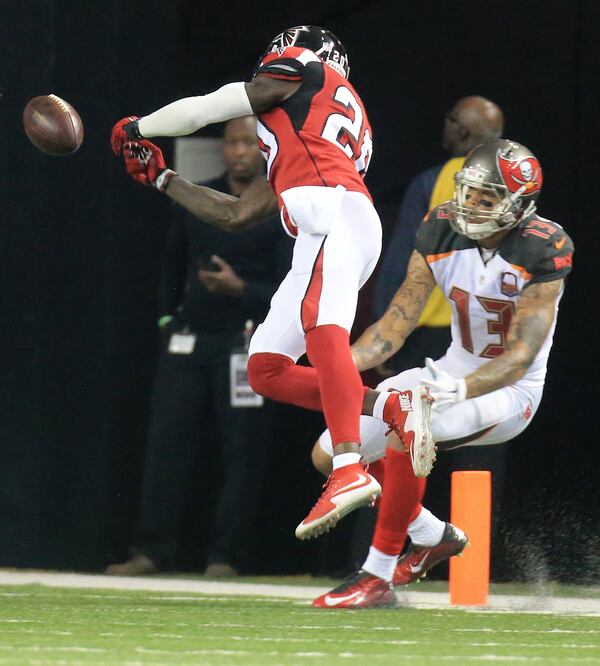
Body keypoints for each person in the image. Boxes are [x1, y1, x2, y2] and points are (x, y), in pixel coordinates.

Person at [111, 25, 434, 542]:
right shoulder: (316, 126)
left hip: (331, 215)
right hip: (331, 221)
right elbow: (238, 213)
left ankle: (349, 465)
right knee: (266, 369)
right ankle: (388, 405)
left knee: (320, 327)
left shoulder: (304, 67)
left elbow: (211, 107)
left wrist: (139, 125)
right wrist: (164, 180)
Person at [309, 139, 574, 607]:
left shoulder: (544, 247)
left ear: (518, 206)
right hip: (450, 369)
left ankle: (377, 575)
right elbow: (397, 321)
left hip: (511, 391)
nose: (471, 205)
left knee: (409, 424)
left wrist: (460, 388)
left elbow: (519, 356)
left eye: (486, 198)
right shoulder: (440, 227)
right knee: (329, 452)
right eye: (469, 192)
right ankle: (433, 535)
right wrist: (339, 366)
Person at [106, 116, 291, 577]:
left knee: (242, 454)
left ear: (265, 148)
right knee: (166, 446)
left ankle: (226, 556)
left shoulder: (279, 206)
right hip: (188, 339)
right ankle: (151, 551)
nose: (239, 152)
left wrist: (241, 290)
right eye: (231, 142)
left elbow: (291, 285)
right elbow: (171, 264)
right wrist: (169, 321)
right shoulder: (198, 198)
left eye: (248, 142)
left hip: (244, 342)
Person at [373, 96, 505, 374]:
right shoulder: (512, 190)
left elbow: (401, 261)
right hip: (491, 330)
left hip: (432, 331)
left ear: (462, 132)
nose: (445, 121)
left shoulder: (432, 184)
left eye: (451, 117)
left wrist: (384, 332)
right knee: (472, 413)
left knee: (421, 413)